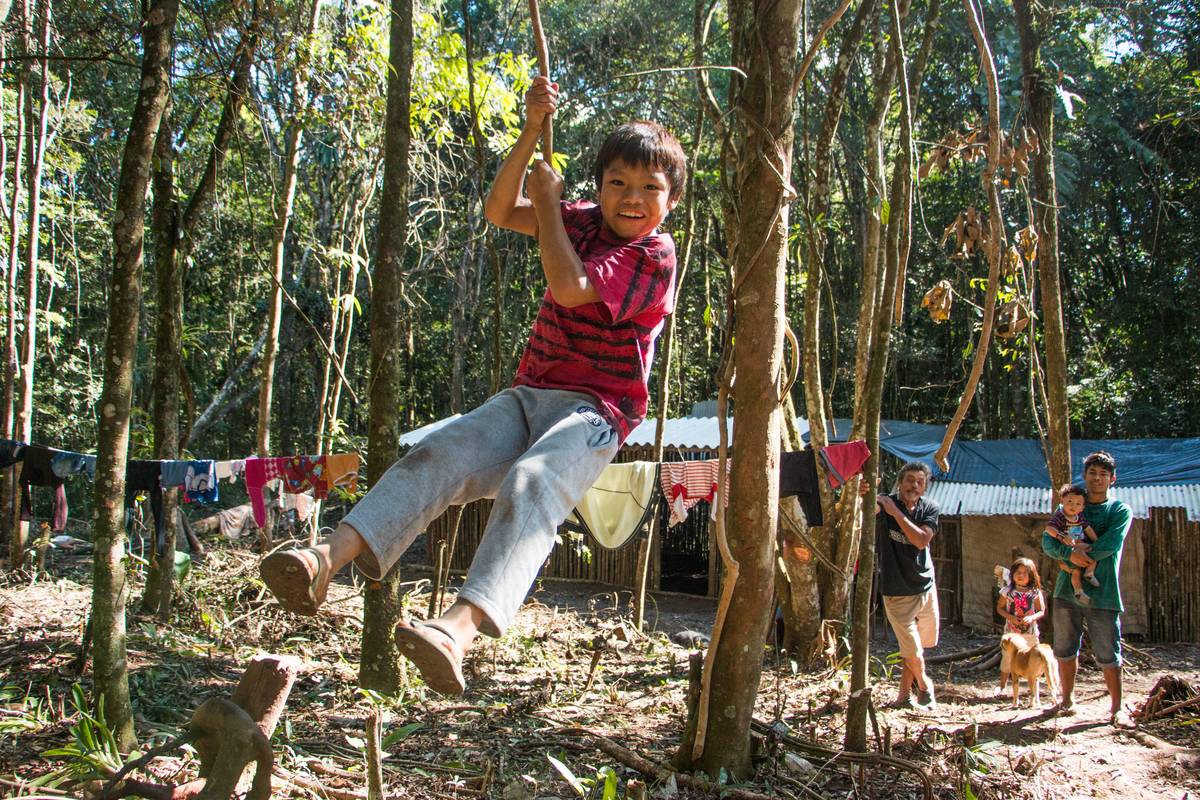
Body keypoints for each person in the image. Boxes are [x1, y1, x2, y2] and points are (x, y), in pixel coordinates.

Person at [259, 76, 683, 695]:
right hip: (528, 394)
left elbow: (569, 288)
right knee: (439, 451)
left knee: (532, 481)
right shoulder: (582, 220)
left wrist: (547, 207)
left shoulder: (655, 257)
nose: (632, 197)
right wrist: (531, 135)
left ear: (669, 202)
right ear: (598, 186)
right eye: (618, 182)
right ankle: (326, 561)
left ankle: (455, 630)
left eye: (651, 187)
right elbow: (497, 209)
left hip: (598, 411)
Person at [1041, 451, 1133, 723]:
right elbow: (1048, 543)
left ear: (1112, 479)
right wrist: (1068, 555)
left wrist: (1079, 553)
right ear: (1085, 476)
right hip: (1066, 590)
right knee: (1064, 648)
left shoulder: (1119, 510)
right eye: (1092, 473)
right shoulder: (1068, 506)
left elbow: (1111, 544)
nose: (1097, 478)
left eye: (1103, 474)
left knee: (1108, 651)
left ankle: (1117, 709)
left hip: (1103, 592)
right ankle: (1066, 701)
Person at [876, 461, 941, 709]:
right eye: (910, 479)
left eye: (920, 481)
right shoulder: (885, 503)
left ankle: (904, 697)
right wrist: (864, 495)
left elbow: (921, 540)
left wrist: (897, 514)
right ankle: (925, 686)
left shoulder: (929, 508)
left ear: (924, 487)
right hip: (896, 590)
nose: (914, 485)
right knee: (912, 650)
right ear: (900, 482)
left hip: (925, 585)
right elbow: (869, 509)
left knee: (916, 649)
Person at [996, 557, 1045, 696]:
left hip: (1030, 633)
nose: (1020, 575)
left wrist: (1031, 617)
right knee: (1007, 659)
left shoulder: (1035, 592)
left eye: (1025, 572)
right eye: (1018, 572)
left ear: (1031, 575)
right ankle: (1002, 687)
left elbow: (1041, 611)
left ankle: (1034, 690)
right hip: (1012, 634)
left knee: (1033, 659)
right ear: (1012, 574)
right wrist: (1011, 617)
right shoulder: (1007, 591)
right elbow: (999, 608)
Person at [1044, 484, 1100, 605]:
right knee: (1089, 552)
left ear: (1083, 507)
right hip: (1068, 547)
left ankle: (1080, 589)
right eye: (1069, 501)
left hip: (1078, 544)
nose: (1073, 506)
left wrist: (1097, 541)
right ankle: (1086, 577)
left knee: (1079, 568)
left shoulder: (1079, 517)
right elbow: (1049, 529)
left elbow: (1088, 529)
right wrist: (1061, 536)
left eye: (1078, 504)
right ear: (1062, 501)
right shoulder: (1060, 516)